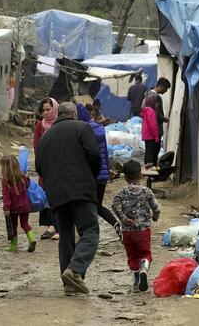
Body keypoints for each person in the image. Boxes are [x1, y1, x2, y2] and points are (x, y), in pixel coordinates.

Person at [35, 102, 101, 295]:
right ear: (73, 113)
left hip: (56, 194)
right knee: (90, 230)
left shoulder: (45, 137)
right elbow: (94, 155)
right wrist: (90, 177)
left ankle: (69, 285)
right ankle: (76, 270)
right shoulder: (82, 127)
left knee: (65, 235)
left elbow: (39, 167)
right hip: (81, 189)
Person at [111, 160, 161, 292]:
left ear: (125, 177)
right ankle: (144, 268)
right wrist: (155, 217)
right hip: (143, 230)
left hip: (127, 232)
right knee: (145, 253)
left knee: (132, 255)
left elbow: (114, 205)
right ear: (141, 175)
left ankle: (136, 281)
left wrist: (123, 219)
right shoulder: (146, 191)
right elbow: (156, 208)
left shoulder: (121, 192)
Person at [76, 103, 120, 238]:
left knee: (83, 205)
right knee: (97, 205)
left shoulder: (82, 131)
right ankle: (116, 224)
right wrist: (107, 173)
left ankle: (87, 234)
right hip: (102, 175)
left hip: (89, 175)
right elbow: (105, 154)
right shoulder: (99, 129)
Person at [32, 97, 59, 240]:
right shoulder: (39, 126)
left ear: (55, 108)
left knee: (58, 196)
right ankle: (50, 225)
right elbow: (36, 146)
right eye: (43, 110)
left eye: (48, 109)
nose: (46, 113)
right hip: (45, 167)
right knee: (46, 196)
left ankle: (58, 226)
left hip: (59, 167)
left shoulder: (61, 124)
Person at [0, 155, 36, 253]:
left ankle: (13, 246)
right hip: (25, 206)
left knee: (13, 226)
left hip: (13, 208)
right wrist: (27, 177)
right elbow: (28, 184)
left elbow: (6, 196)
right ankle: (32, 238)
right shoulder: (22, 177)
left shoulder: (6, 181)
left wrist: (6, 208)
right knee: (25, 224)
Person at [144, 77, 171, 147]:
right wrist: (166, 119)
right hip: (154, 131)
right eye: (166, 89)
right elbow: (155, 114)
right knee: (152, 153)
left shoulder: (148, 94)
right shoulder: (154, 97)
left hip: (149, 131)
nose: (166, 91)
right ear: (161, 86)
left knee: (151, 153)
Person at [141, 102, 160, 170]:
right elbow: (153, 125)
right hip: (150, 135)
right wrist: (156, 136)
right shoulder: (151, 111)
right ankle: (150, 172)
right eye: (155, 102)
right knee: (151, 153)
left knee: (148, 152)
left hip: (146, 134)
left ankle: (146, 169)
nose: (157, 104)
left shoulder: (146, 110)